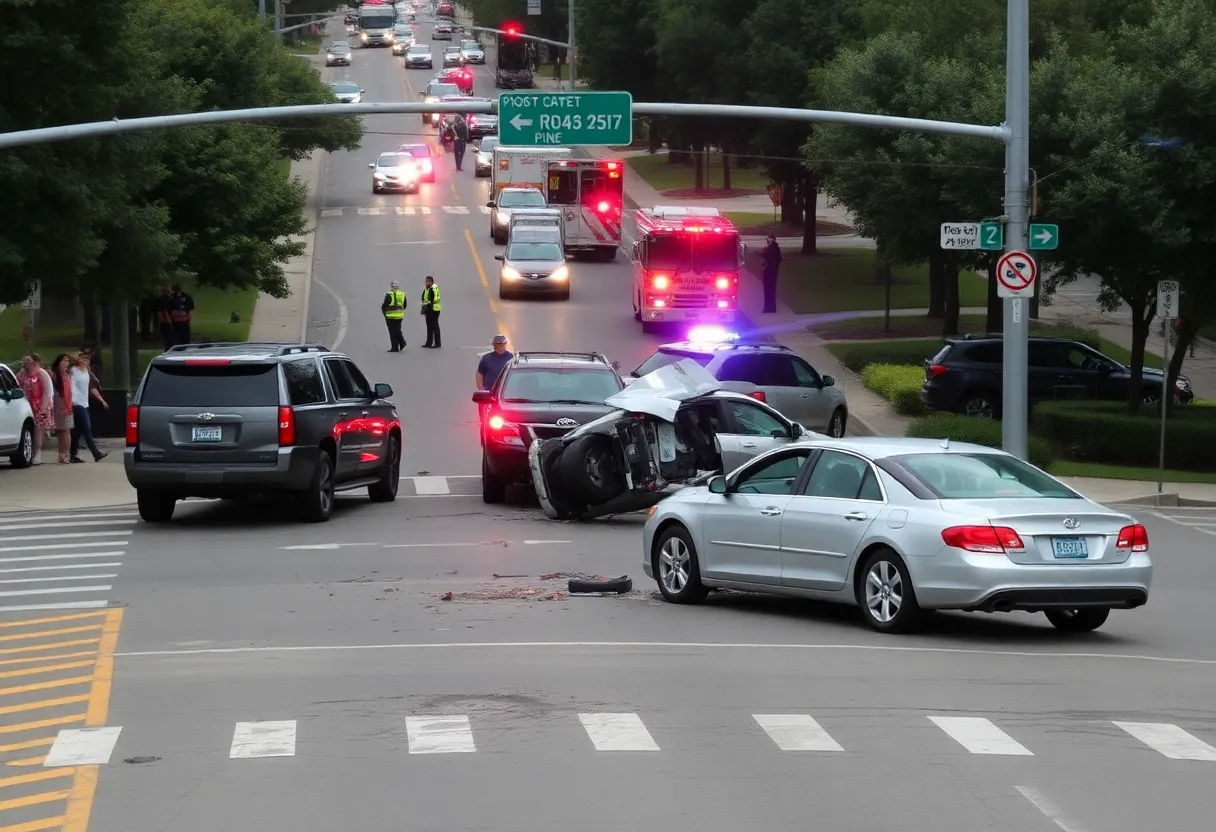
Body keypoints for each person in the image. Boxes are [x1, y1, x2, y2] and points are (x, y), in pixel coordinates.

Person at [69, 352, 108, 463]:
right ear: (79, 360)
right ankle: (96, 453)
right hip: (77, 404)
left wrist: (101, 400)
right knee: (87, 428)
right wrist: (72, 401)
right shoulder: (74, 371)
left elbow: (92, 388)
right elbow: (71, 386)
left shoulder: (87, 372)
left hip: (85, 404)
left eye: (88, 359)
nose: (87, 361)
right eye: (85, 359)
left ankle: (72, 454)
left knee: (77, 431)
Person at [17, 354, 54, 466]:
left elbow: (47, 391)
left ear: (34, 362)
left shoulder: (41, 372)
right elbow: (17, 384)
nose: (26, 364)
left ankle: (38, 453)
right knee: (29, 429)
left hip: (39, 405)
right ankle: (29, 452)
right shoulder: (22, 374)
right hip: (26, 405)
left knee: (38, 429)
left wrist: (43, 406)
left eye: (29, 362)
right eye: (25, 362)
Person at [48, 354, 75, 464]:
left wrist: (70, 404)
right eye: (64, 361)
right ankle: (62, 454)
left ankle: (65, 453)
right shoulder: (54, 376)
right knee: (61, 431)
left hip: (67, 405)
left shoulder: (68, 376)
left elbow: (70, 392)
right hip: (57, 403)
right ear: (58, 362)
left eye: (67, 361)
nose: (66, 363)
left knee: (66, 430)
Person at [381, 279, 407, 352]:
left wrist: (384, 311)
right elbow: (404, 305)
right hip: (399, 316)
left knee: (392, 332)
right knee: (397, 330)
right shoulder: (402, 294)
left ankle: (395, 347)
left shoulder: (389, 294)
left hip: (390, 316)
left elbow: (385, 305)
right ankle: (402, 342)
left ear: (392, 286)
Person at [761, 235, 782, 314]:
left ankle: (769, 307)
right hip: (771, 272)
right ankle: (769, 306)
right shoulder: (772, 248)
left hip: (770, 272)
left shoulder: (773, 248)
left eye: (768, 239)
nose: (767, 240)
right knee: (769, 289)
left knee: (769, 289)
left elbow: (770, 258)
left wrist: (766, 262)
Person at [421, 276, 442, 348]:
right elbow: (424, 298)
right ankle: (428, 343)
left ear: (432, 282)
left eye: (429, 281)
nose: (427, 283)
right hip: (429, 310)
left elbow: (433, 299)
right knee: (429, 327)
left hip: (434, 309)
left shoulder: (433, 289)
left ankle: (437, 343)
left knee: (435, 326)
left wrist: (428, 303)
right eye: (426, 281)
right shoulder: (427, 289)